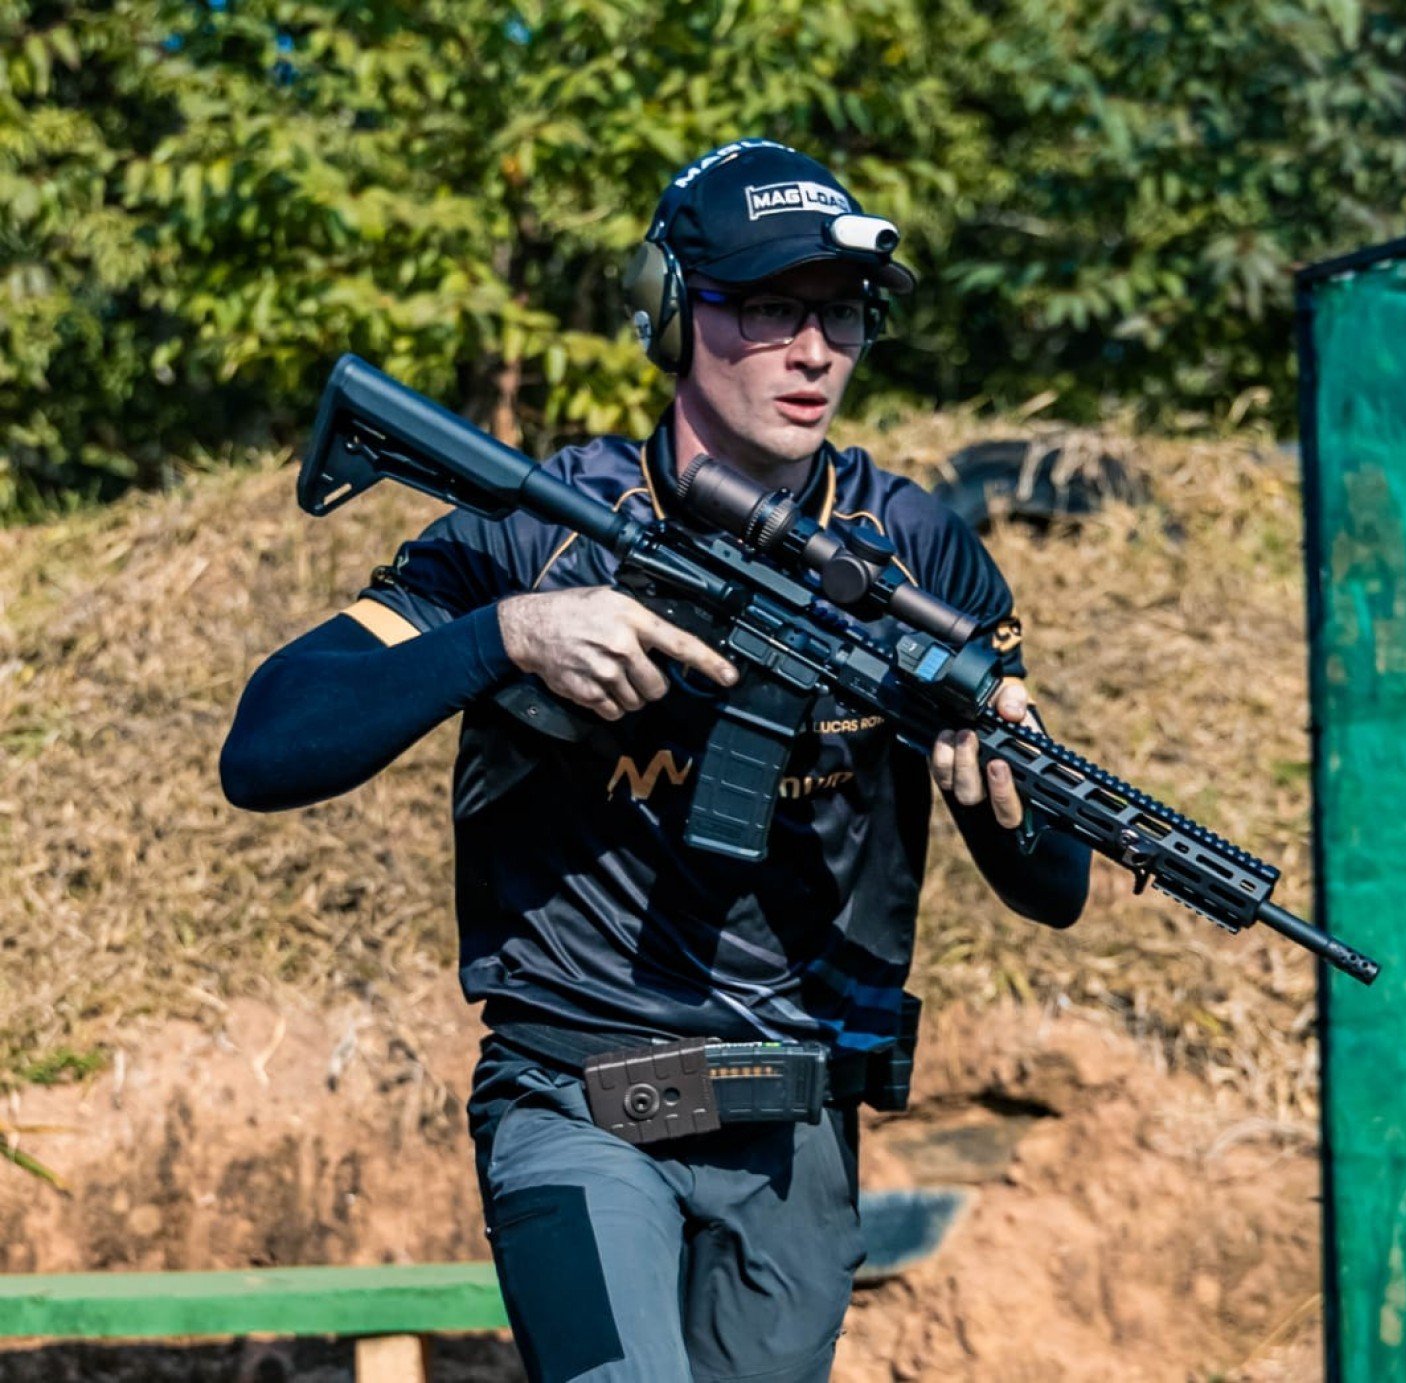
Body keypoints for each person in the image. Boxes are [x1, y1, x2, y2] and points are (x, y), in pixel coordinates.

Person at [219, 138, 1090, 1382]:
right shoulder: (534, 529)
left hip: (795, 1123)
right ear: (672, 310)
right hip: (576, 1097)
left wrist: (1007, 790)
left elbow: (1053, 888)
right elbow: (270, 742)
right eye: (771, 308)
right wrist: (505, 636)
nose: (814, 351)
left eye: (840, 313)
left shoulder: (916, 555)